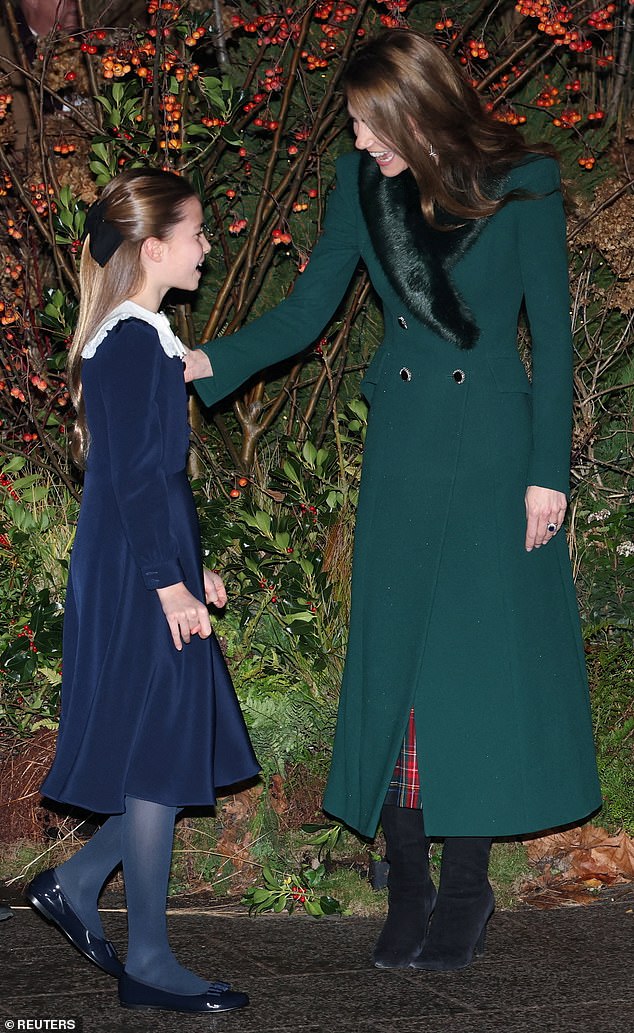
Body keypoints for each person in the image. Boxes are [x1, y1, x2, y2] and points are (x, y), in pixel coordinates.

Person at [185, 29, 601, 971]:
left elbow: (555, 339)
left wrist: (551, 472)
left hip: (498, 454)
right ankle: (406, 884)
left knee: (473, 672)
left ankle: (465, 889)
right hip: (408, 450)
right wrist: (209, 359)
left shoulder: (526, 180)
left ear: (418, 109)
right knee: (400, 673)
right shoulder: (358, 185)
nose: (361, 142)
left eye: (373, 127)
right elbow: (308, 307)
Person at [26, 168, 259, 1013]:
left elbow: (153, 478)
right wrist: (168, 582)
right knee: (156, 751)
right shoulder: (128, 339)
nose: (207, 245)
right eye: (197, 232)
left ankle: (80, 886)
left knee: (160, 747)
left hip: (143, 564)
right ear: (153, 246)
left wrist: (189, 564)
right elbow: (129, 478)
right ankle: (149, 957)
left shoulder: (147, 337)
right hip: (133, 576)